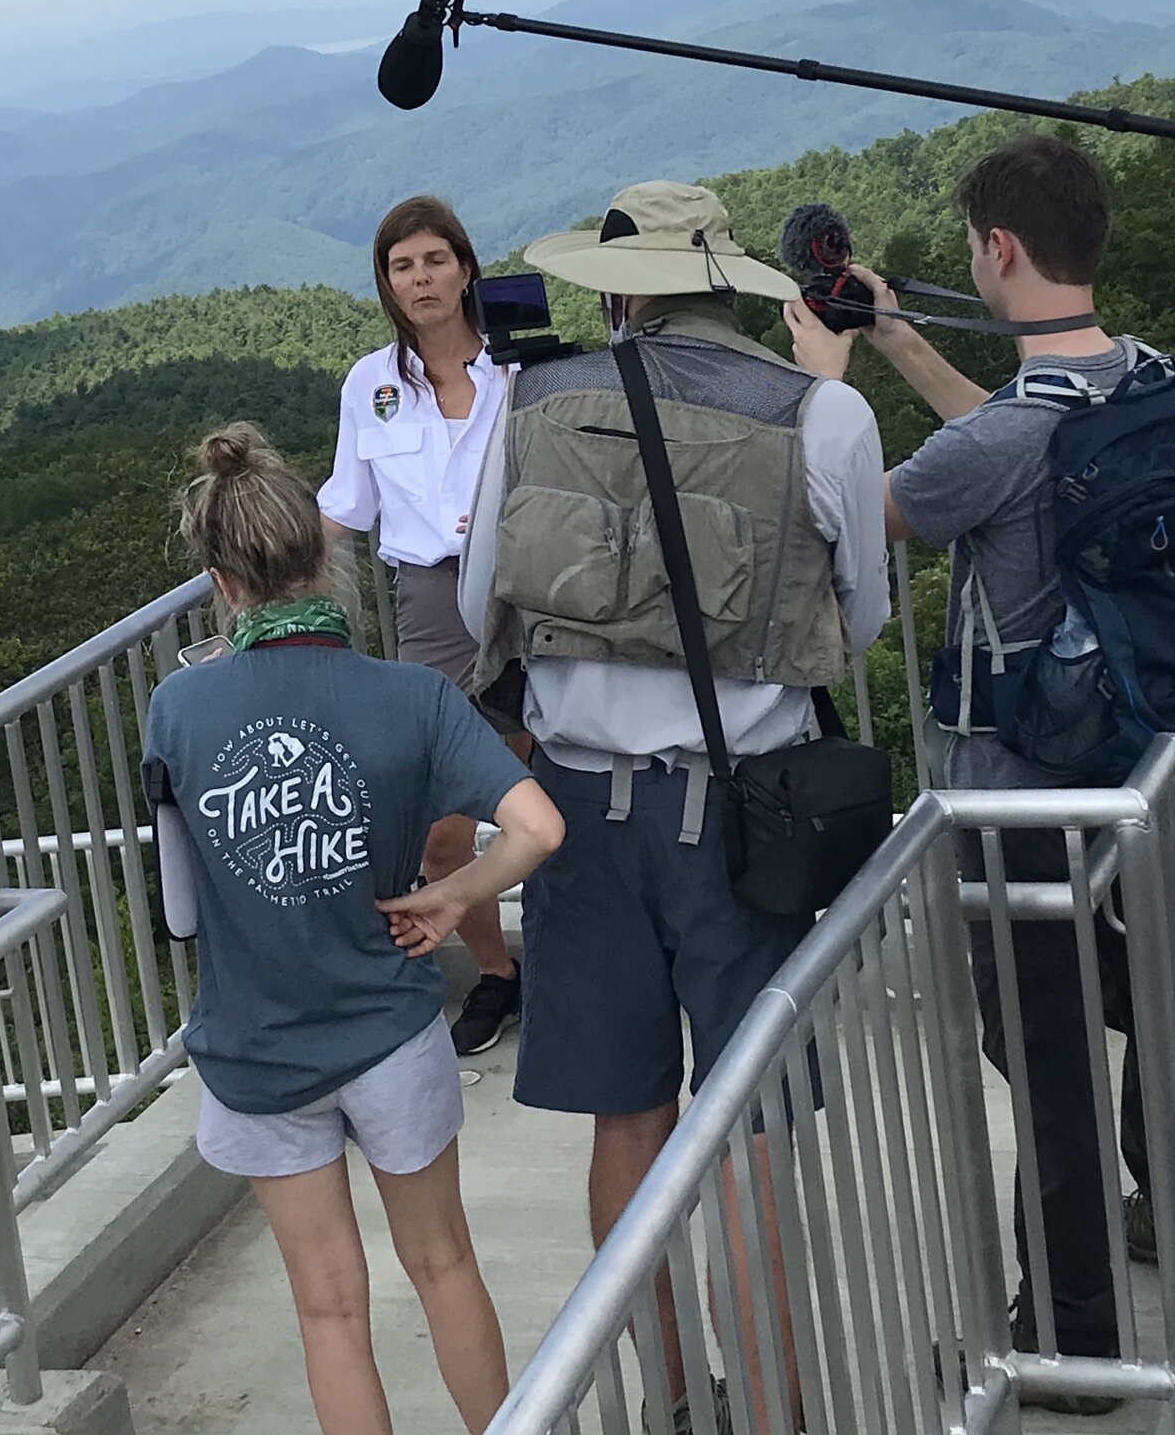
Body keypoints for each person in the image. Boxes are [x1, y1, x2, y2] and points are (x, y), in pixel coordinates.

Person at [786, 133, 1175, 1415]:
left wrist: (822, 378)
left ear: (994, 249)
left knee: (1035, 1050)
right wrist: (889, 334)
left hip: (1013, 784)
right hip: (1135, 760)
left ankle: (1077, 1334)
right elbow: (1001, 440)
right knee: (1149, 994)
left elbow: (862, 508)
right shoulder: (1147, 378)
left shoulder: (1005, 444)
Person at [460, 181, 889, 1432]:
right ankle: (772, 1407)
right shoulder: (826, 415)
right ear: (728, 280)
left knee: (626, 1112)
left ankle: (665, 1397)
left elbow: (487, 588)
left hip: (576, 813)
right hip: (745, 811)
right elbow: (851, 623)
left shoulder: (531, 402)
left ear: (623, 287)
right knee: (747, 1117)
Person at [146, 422, 565, 1435]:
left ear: (221, 581)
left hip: (255, 1042)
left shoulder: (179, 709)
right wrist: (457, 894)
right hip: (388, 1025)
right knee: (443, 1263)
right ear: (325, 557)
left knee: (328, 1308)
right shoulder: (412, 696)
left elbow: (179, 909)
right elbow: (537, 827)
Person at [320, 195, 529, 1057]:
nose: (420, 279)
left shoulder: (524, 371)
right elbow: (345, 508)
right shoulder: (369, 387)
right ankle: (500, 976)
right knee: (442, 826)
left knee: (555, 790)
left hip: (535, 590)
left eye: (434, 260)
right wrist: (257, 581)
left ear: (467, 266)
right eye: (402, 266)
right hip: (432, 608)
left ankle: (581, 961)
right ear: (386, 283)